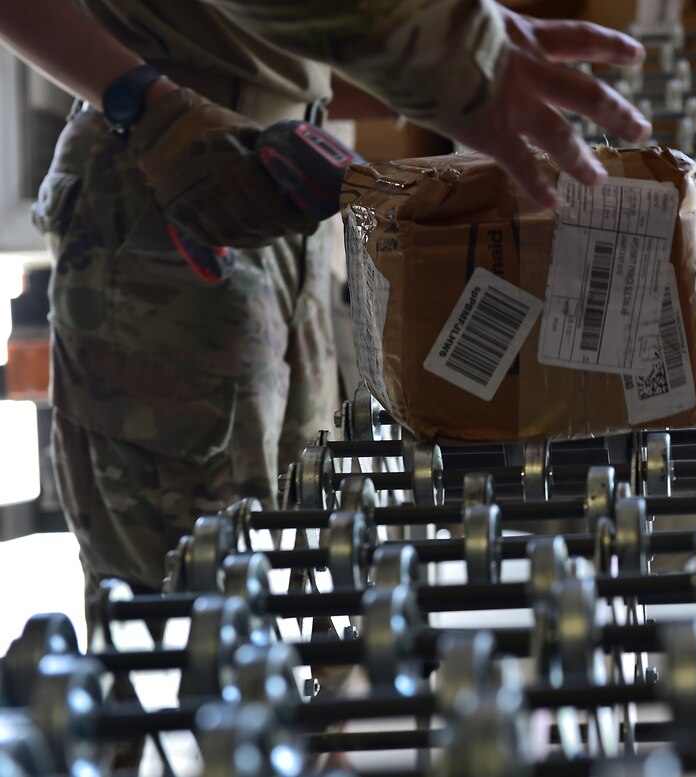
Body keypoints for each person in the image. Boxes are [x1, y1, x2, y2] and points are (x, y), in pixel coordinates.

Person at [0, 2, 649, 611]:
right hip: (163, 172)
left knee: (300, 551)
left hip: (276, 168)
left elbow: (277, 48)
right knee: (186, 591)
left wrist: (449, 79)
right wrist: (143, 105)